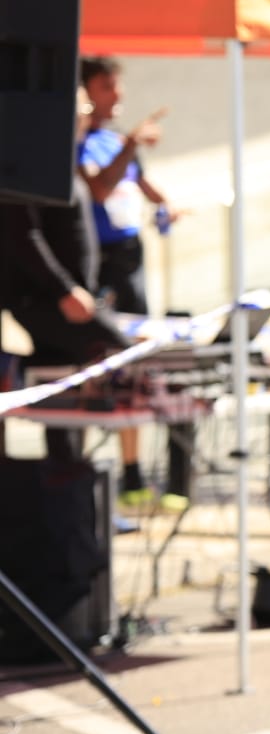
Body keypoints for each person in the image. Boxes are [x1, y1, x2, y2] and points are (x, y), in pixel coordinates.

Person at [0, 88, 145, 529]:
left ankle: (68, 498)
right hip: (45, 300)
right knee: (123, 356)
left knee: (61, 384)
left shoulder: (71, 159)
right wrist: (65, 289)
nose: (87, 114)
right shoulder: (32, 165)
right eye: (81, 106)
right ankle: (12, 372)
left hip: (72, 297)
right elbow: (23, 235)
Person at [77, 56, 179, 502]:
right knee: (96, 365)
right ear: (85, 92)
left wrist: (167, 206)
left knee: (136, 362)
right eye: (105, 87)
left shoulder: (118, 142)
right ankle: (79, 475)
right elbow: (99, 188)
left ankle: (133, 473)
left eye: (117, 86)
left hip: (132, 263)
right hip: (101, 268)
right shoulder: (78, 144)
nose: (116, 96)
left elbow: (143, 186)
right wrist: (131, 144)